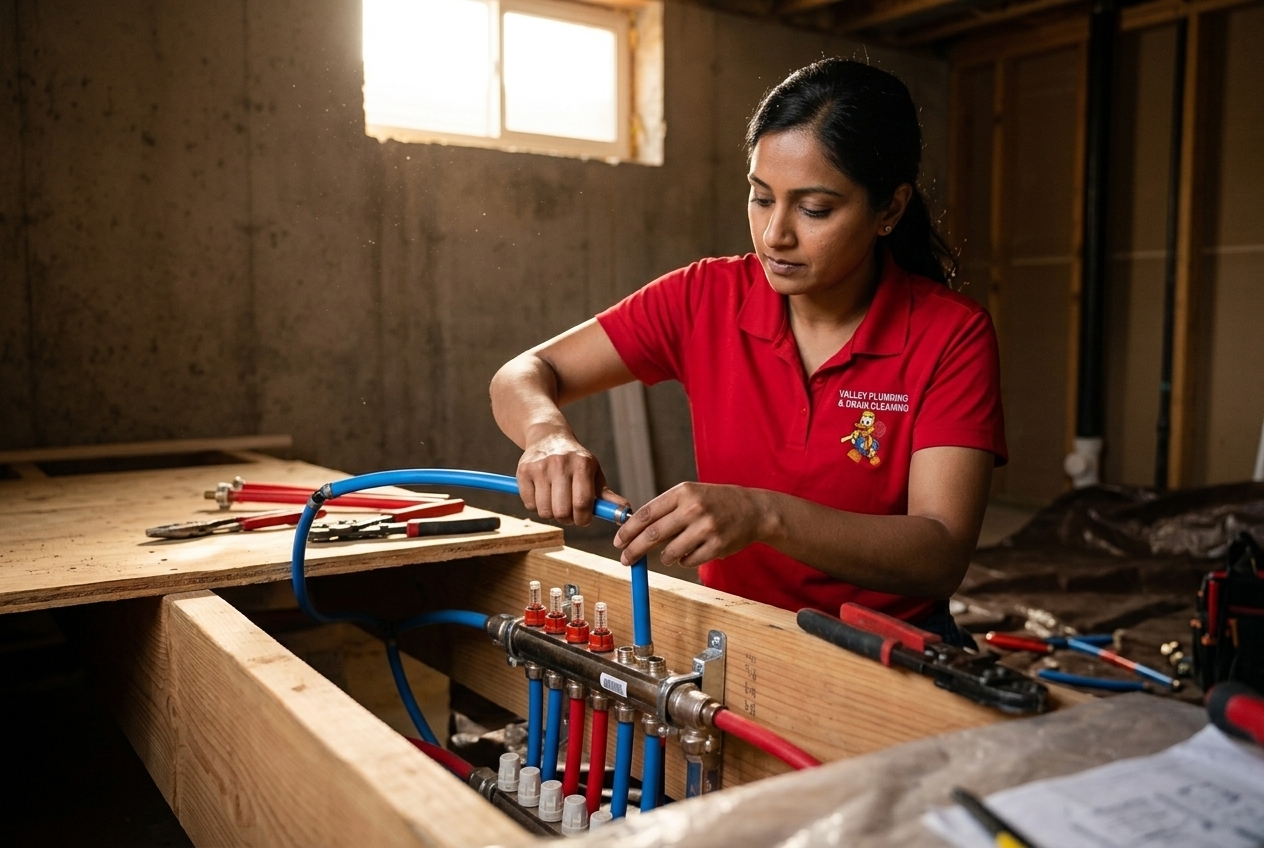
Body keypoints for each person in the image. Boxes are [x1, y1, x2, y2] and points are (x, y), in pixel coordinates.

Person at [489, 59, 1006, 645]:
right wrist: (546, 435)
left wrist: (763, 516)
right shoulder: (704, 297)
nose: (775, 235)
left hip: (885, 646)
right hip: (731, 634)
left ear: (889, 209)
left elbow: (940, 552)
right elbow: (527, 371)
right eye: (761, 198)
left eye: (815, 210)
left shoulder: (950, 334)